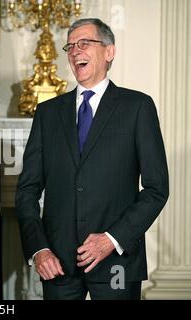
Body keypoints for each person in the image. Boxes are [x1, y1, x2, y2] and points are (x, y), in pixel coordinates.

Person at [15, 18, 169, 300]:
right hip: (58, 264)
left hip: (116, 263)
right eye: (70, 46)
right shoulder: (48, 113)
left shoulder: (137, 107)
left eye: (84, 43)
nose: (75, 51)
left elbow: (157, 189)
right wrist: (39, 249)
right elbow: (27, 190)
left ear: (109, 52)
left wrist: (111, 240)